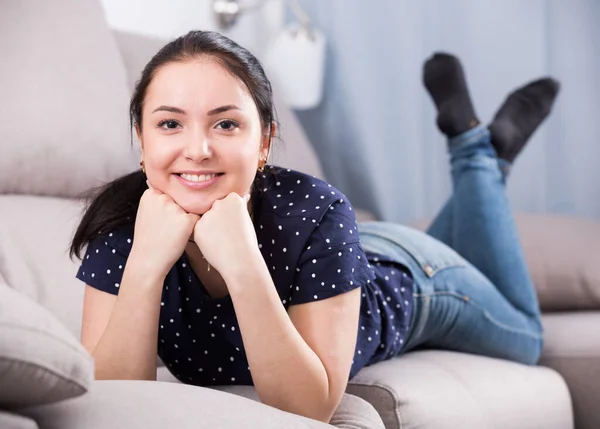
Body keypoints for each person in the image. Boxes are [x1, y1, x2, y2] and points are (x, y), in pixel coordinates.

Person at [70, 31, 560, 423]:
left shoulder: (315, 207)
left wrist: (242, 263)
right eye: (170, 124)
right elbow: (114, 399)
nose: (197, 149)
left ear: (263, 142)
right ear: (141, 138)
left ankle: (473, 152)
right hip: (343, 254)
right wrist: (146, 264)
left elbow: (309, 411)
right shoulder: (121, 223)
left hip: (414, 280)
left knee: (528, 337)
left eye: (225, 124)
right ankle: (485, 152)